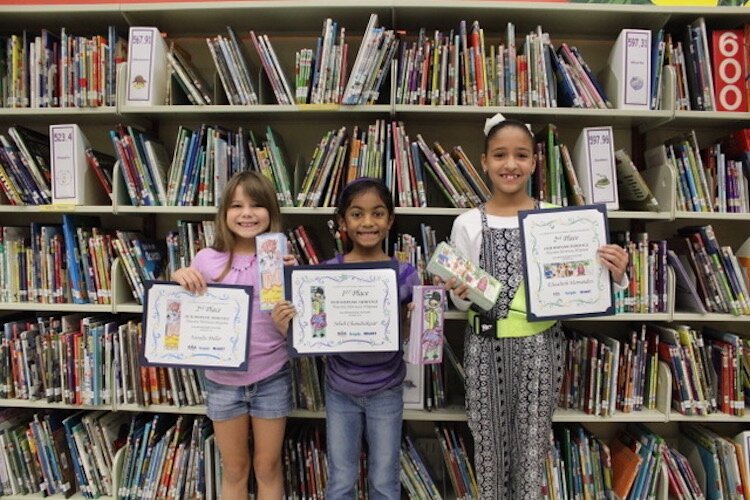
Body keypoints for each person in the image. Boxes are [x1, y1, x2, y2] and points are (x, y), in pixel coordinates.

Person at [447, 114, 629, 498]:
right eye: (499, 155)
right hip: (484, 350)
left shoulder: (558, 219)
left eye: (520, 155)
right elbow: (457, 298)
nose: (509, 164)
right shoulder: (467, 223)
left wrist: (616, 273)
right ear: (484, 161)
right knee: (489, 451)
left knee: (532, 452)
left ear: (533, 162)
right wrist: (459, 291)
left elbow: (586, 283)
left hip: (540, 351)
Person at [172, 171, 298, 499]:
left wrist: (295, 282)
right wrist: (180, 278)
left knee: (268, 467)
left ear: (271, 211)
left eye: (256, 205)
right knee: (235, 468)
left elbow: (298, 326)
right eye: (237, 205)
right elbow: (181, 312)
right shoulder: (206, 260)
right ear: (224, 213)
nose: (246, 213)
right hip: (222, 381)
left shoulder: (279, 260)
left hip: (271, 376)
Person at [323, 178, 421, 499]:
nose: (367, 222)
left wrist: (423, 315)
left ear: (390, 220)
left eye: (378, 213)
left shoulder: (406, 274)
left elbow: (411, 334)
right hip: (340, 389)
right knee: (341, 479)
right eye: (356, 214)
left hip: (386, 389)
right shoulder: (326, 273)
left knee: (384, 479)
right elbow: (315, 330)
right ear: (342, 221)